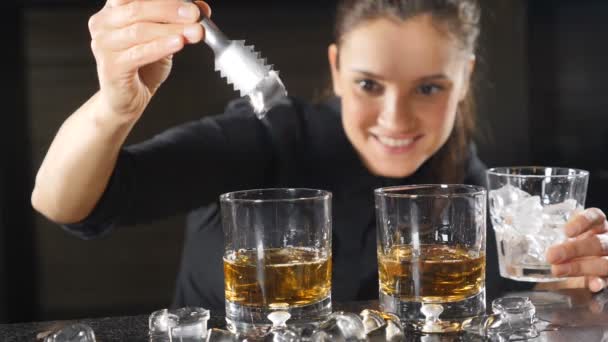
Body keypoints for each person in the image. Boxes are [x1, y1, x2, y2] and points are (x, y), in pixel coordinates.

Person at [31, 0, 608, 312]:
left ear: (465, 80)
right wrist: (114, 105)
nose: (395, 120)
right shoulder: (265, 140)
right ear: (335, 69)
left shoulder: (480, 192)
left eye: (429, 88)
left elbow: (532, 305)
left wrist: (581, 275)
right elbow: (66, 204)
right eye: (368, 85)